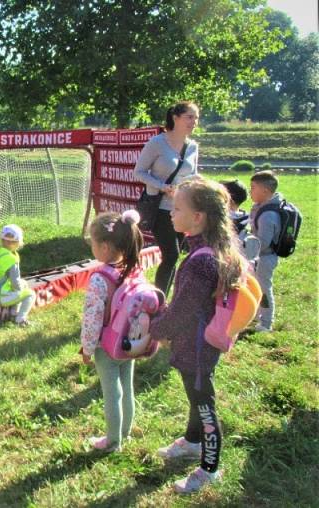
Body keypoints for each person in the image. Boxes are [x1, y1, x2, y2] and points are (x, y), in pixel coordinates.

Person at [150, 177, 246, 494]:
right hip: (197, 346)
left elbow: (182, 311)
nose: (171, 214)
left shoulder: (201, 261)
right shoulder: (208, 250)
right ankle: (192, 442)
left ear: (198, 217)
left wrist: (155, 329)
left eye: (177, 208)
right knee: (195, 396)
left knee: (204, 405)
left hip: (197, 348)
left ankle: (210, 467)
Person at [80, 210, 144, 453]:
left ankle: (112, 442)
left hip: (107, 347)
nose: (91, 246)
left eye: (92, 242)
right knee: (126, 388)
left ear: (105, 247)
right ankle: (125, 432)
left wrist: (87, 348)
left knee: (111, 393)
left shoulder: (99, 279)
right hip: (130, 341)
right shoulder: (134, 269)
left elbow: (92, 319)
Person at [134, 101, 200, 295]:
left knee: (174, 256)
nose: (193, 122)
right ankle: (157, 300)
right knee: (171, 254)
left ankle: (165, 298)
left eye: (196, 118)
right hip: (160, 207)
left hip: (182, 208)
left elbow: (192, 174)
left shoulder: (193, 147)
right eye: (189, 117)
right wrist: (163, 187)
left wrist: (199, 184)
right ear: (175, 117)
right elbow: (139, 172)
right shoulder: (157, 143)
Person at [249, 171, 282, 332]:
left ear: (265, 191)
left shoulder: (268, 215)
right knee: (256, 287)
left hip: (265, 257)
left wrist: (246, 244)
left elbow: (262, 243)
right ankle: (255, 315)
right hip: (261, 257)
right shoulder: (262, 208)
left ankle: (266, 323)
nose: (250, 191)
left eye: (253, 188)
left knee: (263, 289)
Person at [0, 224, 34, 326]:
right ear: (18, 242)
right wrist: (22, 291)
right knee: (30, 294)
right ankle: (20, 320)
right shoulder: (11, 259)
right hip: (1, 296)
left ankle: (13, 313)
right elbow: (15, 282)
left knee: (23, 283)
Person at [221, 179, 260, 262]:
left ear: (227, 197)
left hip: (223, 259)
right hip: (244, 261)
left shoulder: (220, 218)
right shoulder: (249, 217)